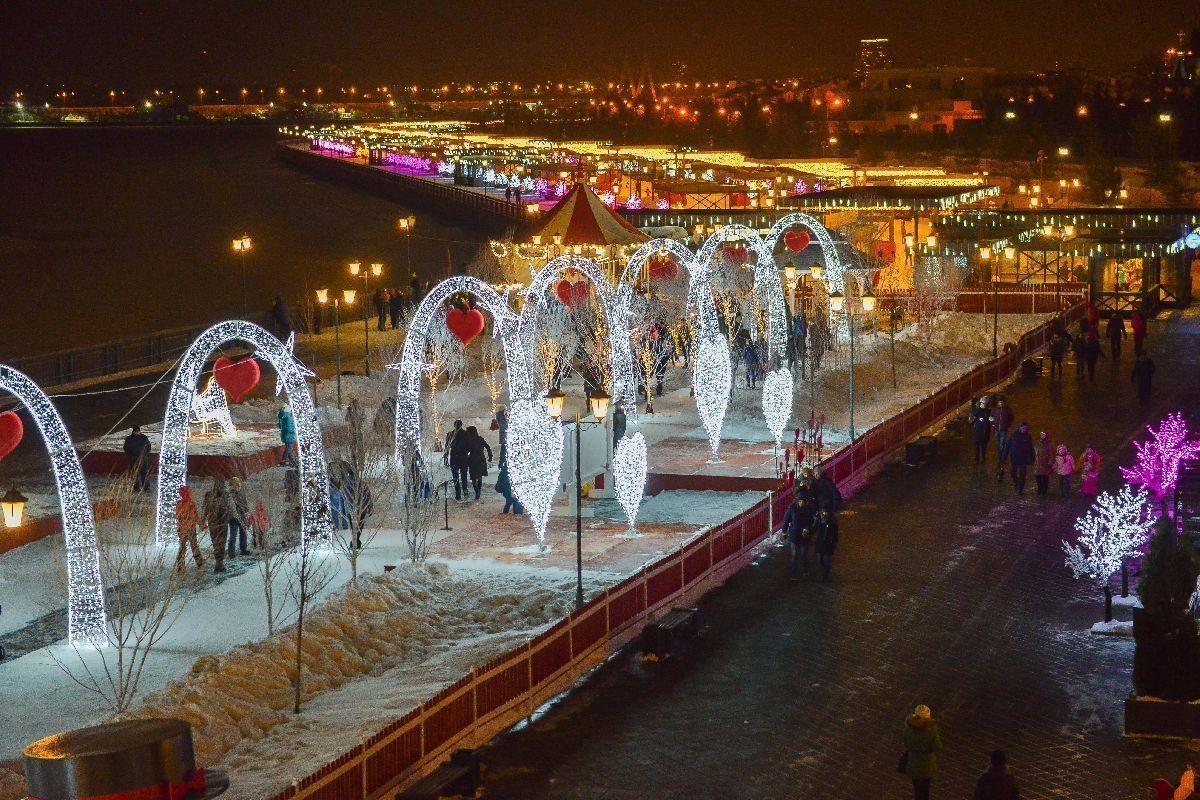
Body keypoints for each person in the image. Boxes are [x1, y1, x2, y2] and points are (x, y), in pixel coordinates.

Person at [902, 704, 942, 800]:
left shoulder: (908, 728)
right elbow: (938, 748)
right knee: (925, 790)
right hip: (927, 765)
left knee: (917, 789)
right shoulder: (931, 731)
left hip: (913, 763)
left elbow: (905, 742)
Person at [782, 494, 816, 579]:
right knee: (794, 555)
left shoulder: (808, 509)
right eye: (800, 501)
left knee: (804, 554)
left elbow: (811, 522)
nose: (801, 503)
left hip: (804, 536)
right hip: (794, 535)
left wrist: (807, 528)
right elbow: (786, 519)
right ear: (797, 501)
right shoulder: (792, 508)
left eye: (803, 501)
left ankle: (805, 571)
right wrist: (784, 531)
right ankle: (794, 574)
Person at [203, 476, 231, 573]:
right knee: (220, 543)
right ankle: (219, 563)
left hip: (217, 522)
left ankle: (219, 563)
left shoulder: (210, 495)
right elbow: (230, 508)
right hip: (219, 522)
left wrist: (203, 521)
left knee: (217, 543)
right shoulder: (225, 495)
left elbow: (205, 510)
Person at [175, 485, 205, 573]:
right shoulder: (190, 503)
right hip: (190, 528)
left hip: (182, 529)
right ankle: (199, 562)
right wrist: (201, 524)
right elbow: (195, 516)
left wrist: (200, 524)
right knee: (194, 546)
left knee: (183, 547)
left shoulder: (179, 504)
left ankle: (180, 566)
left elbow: (180, 516)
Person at [990, 396, 1014, 480]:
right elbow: (991, 417)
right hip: (996, 430)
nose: (1001, 403)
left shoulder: (1007, 410)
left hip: (1003, 430)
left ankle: (1001, 458)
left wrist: (1007, 425)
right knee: (998, 444)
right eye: (1000, 402)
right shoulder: (994, 409)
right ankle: (1000, 455)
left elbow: (1011, 418)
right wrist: (993, 424)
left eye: (1002, 402)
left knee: (1001, 444)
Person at [123, 425, 153, 492]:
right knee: (141, 473)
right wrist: (145, 454)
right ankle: (143, 487)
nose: (137, 432)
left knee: (138, 474)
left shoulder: (129, 439)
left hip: (136, 458)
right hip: (141, 458)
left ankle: (139, 488)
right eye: (137, 431)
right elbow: (149, 447)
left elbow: (126, 449)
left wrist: (130, 455)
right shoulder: (144, 438)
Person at [225, 476, 251, 556]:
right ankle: (242, 550)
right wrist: (245, 511)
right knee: (242, 533)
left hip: (233, 517)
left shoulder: (228, 495)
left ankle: (231, 552)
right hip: (239, 516)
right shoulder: (239, 494)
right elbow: (245, 506)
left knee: (234, 535)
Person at [466, 426, 493, 500]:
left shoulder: (469, 440)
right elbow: (488, 447)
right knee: (480, 476)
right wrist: (490, 456)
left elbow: (466, 451)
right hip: (481, 459)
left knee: (474, 477)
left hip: (472, 460)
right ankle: (479, 491)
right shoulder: (480, 439)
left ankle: (477, 491)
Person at [447, 421, 472, 500]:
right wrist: (465, 452)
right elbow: (469, 446)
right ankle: (465, 490)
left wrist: (446, 457)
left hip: (454, 457)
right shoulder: (466, 434)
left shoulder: (450, 434)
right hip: (463, 457)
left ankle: (458, 494)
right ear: (461, 425)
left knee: (455, 477)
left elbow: (447, 447)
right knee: (464, 476)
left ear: (454, 425)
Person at [1008, 423, 1034, 495]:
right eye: (1023, 428)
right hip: (1014, 458)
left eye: (1026, 428)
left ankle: (1020, 489)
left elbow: (1030, 448)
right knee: (1013, 473)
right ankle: (1016, 482)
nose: (1024, 430)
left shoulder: (1028, 437)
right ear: (1019, 428)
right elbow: (1008, 445)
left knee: (1022, 474)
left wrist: (1031, 459)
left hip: (1023, 459)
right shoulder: (1013, 435)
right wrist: (1004, 456)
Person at [813, 507, 838, 581]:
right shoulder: (819, 519)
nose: (824, 514)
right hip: (820, 542)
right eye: (823, 512)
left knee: (826, 559)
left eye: (825, 512)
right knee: (819, 559)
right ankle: (827, 568)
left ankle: (825, 576)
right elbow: (814, 528)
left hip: (828, 543)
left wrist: (834, 541)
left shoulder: (832, 521)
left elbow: (835, 533)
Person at [346, 398, 366, 469]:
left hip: (358, 433)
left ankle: (360, 465)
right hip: (354, 433)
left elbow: (363, 419)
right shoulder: (351, 412)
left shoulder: (360, 411)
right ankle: (356, 465)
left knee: (359, 450)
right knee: (354, 450)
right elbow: (347, 419)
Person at [969, 397, 991, 465]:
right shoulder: (976, 410)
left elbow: (990, 418)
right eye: (983, 403)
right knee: (977, 446)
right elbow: (971, 420)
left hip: (985, 431)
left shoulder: (988, 411)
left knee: (984, 446)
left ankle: (983, 458)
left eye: (985, 403)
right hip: (978, 431)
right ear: (981, 403)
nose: (984, 404)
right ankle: (976, 458)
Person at [1034, 430, 1055, 496]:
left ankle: (1044, 490)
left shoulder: (1049, 444)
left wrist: (1050, 462)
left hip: (1045, 463)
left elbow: (1051, 454)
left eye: (1044, 434)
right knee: (1037, 477)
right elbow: (1034, 452)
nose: (1042, 436)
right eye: (1041, 434)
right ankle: (1039, 488)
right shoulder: (1037, 443)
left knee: (1044, 477)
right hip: (1037, 463)